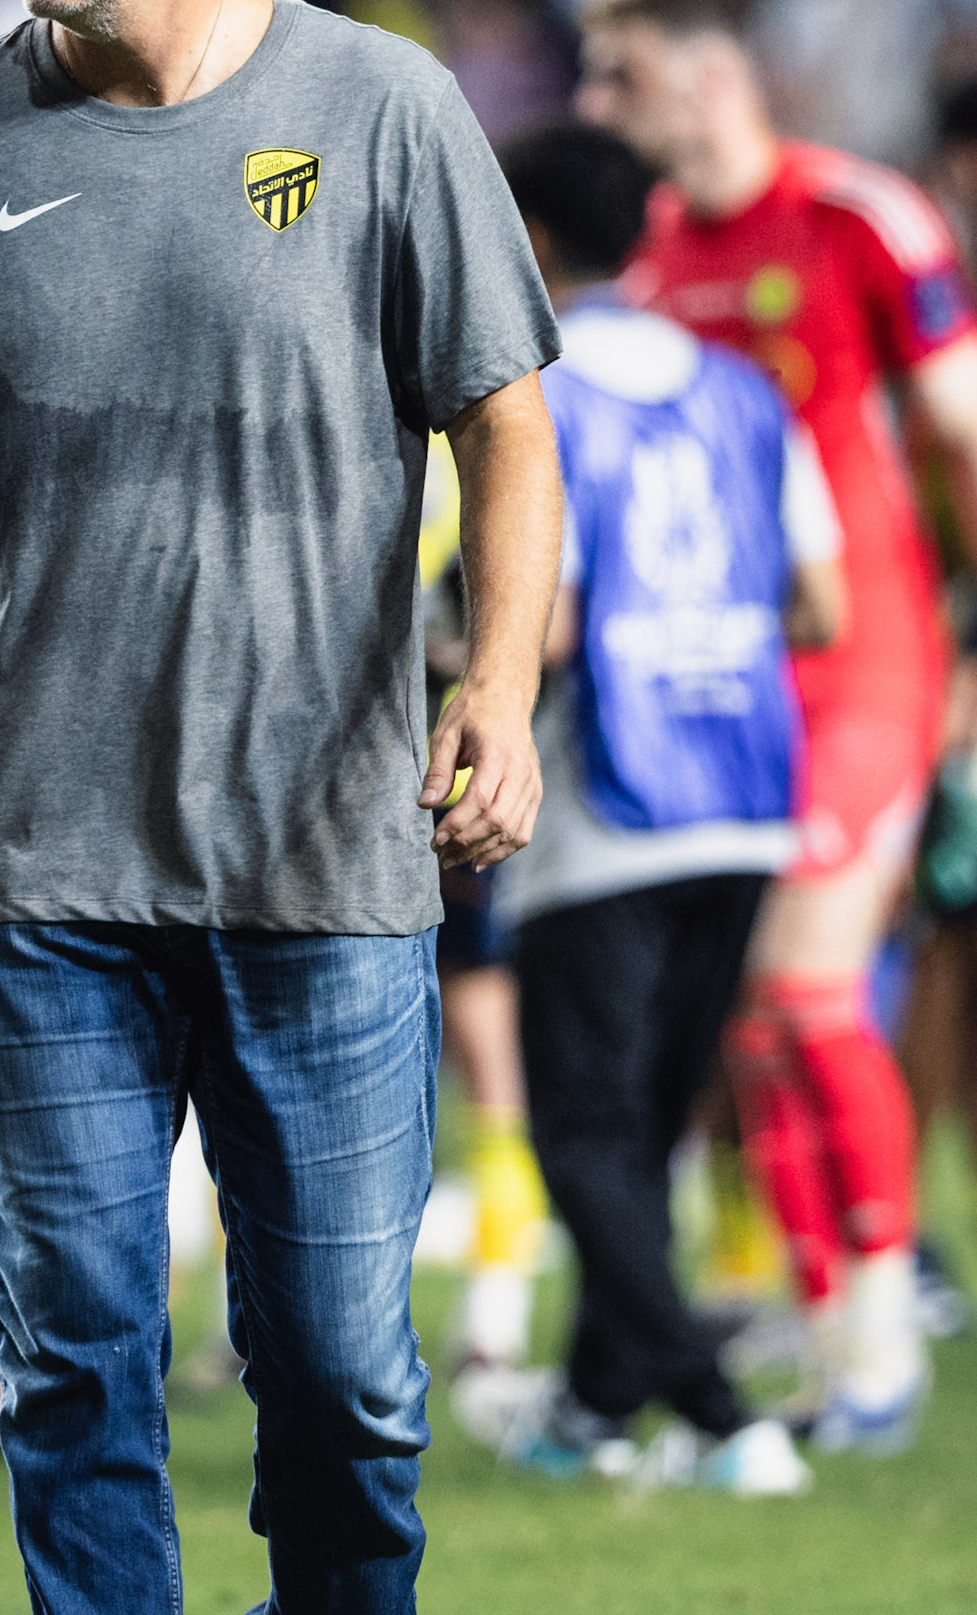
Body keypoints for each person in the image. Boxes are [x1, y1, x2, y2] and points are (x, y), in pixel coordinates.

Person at [0, 0, 562, 1611]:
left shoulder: (379, 106)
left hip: (323, 869)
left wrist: (493, 682)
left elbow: (508, 423)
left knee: (340, 1378)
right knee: (71, 1370)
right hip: (45, 876)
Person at [579, 0, 977, 1450]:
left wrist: (967, 647)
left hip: (870, 647)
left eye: (614, 76)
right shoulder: (653, 257)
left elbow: (959, 442)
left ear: (704, 76)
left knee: (807, 985)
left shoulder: (857, 217)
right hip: (723, 680)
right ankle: (832, 1342)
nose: (592, 105)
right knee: (747, 1016)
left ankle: (878, 1339)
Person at [453, 119, 839, 1495]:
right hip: (744, 787)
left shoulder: (532, 397)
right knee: (651, 1123)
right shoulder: (745, 393)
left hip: (606, 802)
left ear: (531, 240)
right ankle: (591, 1407)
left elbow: (538, 627)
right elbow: (822, 604)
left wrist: (444, 659)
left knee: (582, 1134)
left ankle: (717, 1411)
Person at [420, 437, 550, 1372]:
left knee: (493, 1074)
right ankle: (495, 1326)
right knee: (493, 1084)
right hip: (446, 811)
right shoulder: (492, 433)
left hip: (446, 811)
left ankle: (498, 1319)